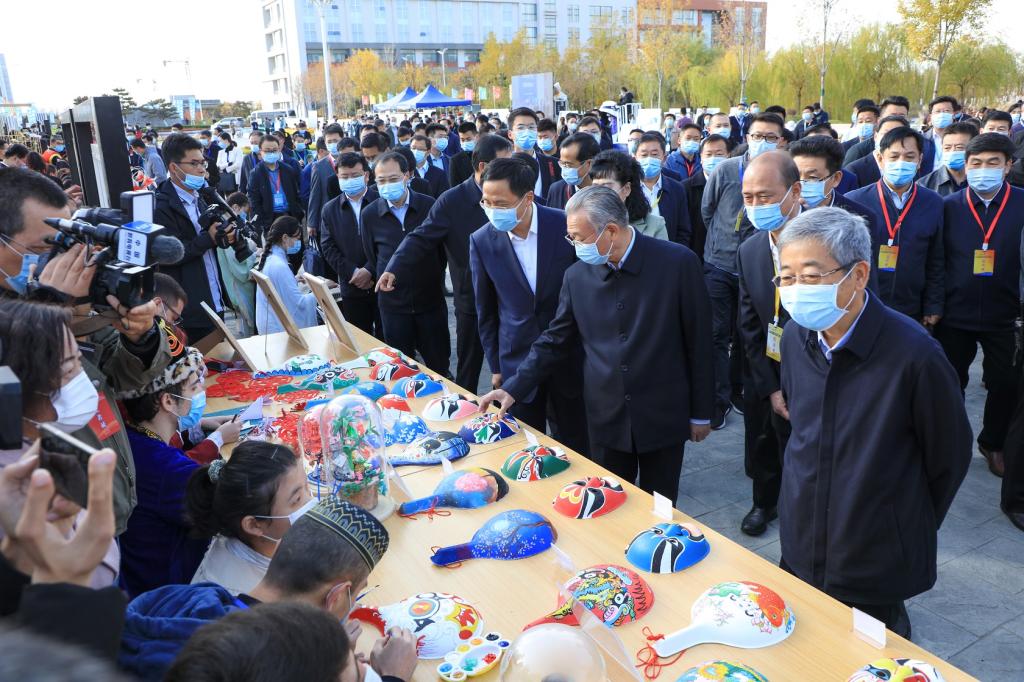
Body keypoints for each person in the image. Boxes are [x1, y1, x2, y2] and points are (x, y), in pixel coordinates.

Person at [775, 207, 971, 639]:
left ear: (859, 274)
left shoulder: (915, 356)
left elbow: (948, 458)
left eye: (811, 276)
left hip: (874, 553)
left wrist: (900, 520)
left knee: (870, 652)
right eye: (786, 278)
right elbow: (800, 428)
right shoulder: (795, 337)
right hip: (801, 535)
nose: (796, 290)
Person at [478, 185, 712, 501]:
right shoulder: (577, 276)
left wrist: (701, 413)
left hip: (663, 413)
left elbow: (700, 342)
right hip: (605, 417)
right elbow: (555, 339)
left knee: (661, 503)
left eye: (578, 237)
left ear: (611, 231)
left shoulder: (677, 263)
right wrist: (514, 387)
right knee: (607, 500)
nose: (574, 245)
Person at [120, 498, 411, 682]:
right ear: (336, 597)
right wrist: (391, 676)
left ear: (280, 548)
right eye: (356, 594)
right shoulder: (271, 665)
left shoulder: (189, 598)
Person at [470, 157, 589, 455]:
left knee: (575, 444)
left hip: (568, 355)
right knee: (525, 447)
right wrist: (496, 365)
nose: (492, 210)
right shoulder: (482, 240)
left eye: (501, 203)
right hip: (517, 361)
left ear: (527, 198)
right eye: (486, 202)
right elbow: (486, 310)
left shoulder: (563, 225)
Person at [377, 134, 513, 392]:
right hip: (472, 300)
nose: (512, 170)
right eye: (505, 164)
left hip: (512, 301)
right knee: (469, 370)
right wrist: (394, 267)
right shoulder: (452, 201)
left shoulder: (513, 194)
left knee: (513, 371)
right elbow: (421, 237)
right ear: (483, 167)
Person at [935, 133, 1024, 479]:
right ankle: (948, 440)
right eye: (976, 163)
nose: (983, 170)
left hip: (1006, 314)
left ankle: (992, 442)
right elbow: (937, 260)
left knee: (1005, 383)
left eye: (992, 163)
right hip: (955, 312)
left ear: (1008, 165)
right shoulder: (948, 207)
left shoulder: (1020, 203)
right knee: (948, 381)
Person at [119, 345, 228, 597]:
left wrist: (199, 429)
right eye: (194, 387)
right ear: (168, 401)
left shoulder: (133, 437)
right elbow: (230, 508)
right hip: (171, 591)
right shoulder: (167, 469)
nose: (201, 392)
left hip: (140, 580)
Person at [702, 112, 787, 429]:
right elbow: (707, 211)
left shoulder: (783, 173)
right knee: (717, 334)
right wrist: (722, 241)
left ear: (781, 141)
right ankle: (718, 399)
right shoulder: (726, 170)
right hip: (719, 264)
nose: (762, 142)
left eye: (770, 137)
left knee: (747, 332)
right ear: (746, 138)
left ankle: (741, 389)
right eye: (756, 136)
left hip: (759, 268)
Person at [736, 152, 803, 537]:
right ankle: (764, 502)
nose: (757, 205)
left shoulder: (825, 241)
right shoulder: (750, 250)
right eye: (749, 197)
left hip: (813, 370)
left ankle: (803, 511)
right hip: (766, 368)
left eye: (765, 196)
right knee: (762, 439)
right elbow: (748, 324)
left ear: (795, 191)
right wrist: (771, 387)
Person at [843, 127, 945, 325]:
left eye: (909, 157)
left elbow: (936, 258)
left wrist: (933, 304)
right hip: (863, 305)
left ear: (920, 161)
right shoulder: (855, 201)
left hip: (912, 307)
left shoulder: (933, 202)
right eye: (894, 156)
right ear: (880, 159)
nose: (901, 163)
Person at [187, 441, 314, 595]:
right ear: (254, 525)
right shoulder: (243, 597)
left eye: (307, 487)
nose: (311, 501)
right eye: (297, 499)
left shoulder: (269, 542)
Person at [361, 152, 449, 373]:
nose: (387, 185)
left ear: (407, 175)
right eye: (381, 181)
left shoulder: (429, 205)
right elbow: (372, 255)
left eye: (393, 179)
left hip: (429, 301)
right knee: (400, 368)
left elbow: (440, 252)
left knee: (439, 365)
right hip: (393, 305)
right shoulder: (370, 214)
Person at [154, 132, 230, 342]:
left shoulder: (202, 196)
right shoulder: (161, 207)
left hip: (215, 300)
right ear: (174, 167)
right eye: (194, 163)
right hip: (189, 311)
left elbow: (209, 242)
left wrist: (224, 237)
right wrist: (208, 239)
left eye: (202, 163)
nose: (201, 169)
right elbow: (169, 256)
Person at [320, 153, 380, 336]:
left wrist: (369, 270)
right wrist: (353, 272)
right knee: (359, 339)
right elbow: (328, 247)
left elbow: (389, 242)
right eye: (344, 176)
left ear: (366, 175)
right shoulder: (330, 209)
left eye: (355, 175)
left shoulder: (381, 202)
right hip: (351, 285)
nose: (350, 180)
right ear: (338, 177)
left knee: (387, 340)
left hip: (381, 282)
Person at [254, 217, 318, 334]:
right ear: (285, 238)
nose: (298, 242)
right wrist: (321, 290)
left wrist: (294, 279)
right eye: (297, 238)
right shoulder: (279, 265)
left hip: (267, 324)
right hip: (277, 329)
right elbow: (299, 305)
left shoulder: (270, 257)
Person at [633, 132, 692, 246]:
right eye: (644, 155)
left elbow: (683, 230)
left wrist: (676, 253)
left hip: (668, 250)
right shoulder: (627, 188)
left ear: (664, 158)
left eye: (655, 154)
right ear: (635, 158)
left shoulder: (676, 188)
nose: (649, 159)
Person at [683, 134, 731, 264]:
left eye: (719, 154)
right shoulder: (686, 188)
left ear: (728, 156)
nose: (713, 158)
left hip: (728, 258)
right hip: (696, 256)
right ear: (701, 158)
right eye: (708, 154)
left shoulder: (738, 186)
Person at [218, 193, 259, 337]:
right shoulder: (227, 229)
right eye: (244, 211)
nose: (244, 216)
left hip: (235, 283)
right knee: (248, 330)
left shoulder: (227, 224)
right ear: (235, 207)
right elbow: (239, 267)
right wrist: (255, 254)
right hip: (238, 285)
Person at [247, 134, 302, 239]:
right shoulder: (256, 173)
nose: (271, 153)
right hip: (270, 219)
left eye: (274, 150)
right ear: (260, 151)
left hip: (289, 216)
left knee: (294, 247)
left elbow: (296, 193)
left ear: (279, 149)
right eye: (267, 150)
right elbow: (254, 201)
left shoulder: (288, 170)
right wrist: (263, 222)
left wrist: (298, 213)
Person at [505, 107, 562, 200]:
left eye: (531, 127)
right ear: (510, 134)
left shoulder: (554, 164)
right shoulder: (502, 166)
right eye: (521, 128)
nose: (527, 132)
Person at [842, 115, 912, 189]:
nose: (891, 139)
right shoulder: (854, 171)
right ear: (875, 136)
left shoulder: (911, 167)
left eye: (898, 135)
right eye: (886, 134)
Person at [305, 123, 346, 247]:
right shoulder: (318, 166)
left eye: (336, 140)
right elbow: (315, 195)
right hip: (329, 217)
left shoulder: (353, 162)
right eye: (329, 141)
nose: (333, 144)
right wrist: (311, 222)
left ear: (342, 139)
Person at [843, 96, 912, 165]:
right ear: (879, 120)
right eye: (892, 116)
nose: (898, 121)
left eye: (902, 117)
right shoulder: (859, 151)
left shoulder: (915, 145)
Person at [918, 121, 978, 197]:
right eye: (947, 148)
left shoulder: (984, 181)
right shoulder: (924, 185)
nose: (952, 152)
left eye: (959, 147)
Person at [546, 132, 600, 210]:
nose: (564, 169)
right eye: (562, 163)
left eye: (568, 164)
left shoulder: (605, 190)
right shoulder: (557, 190)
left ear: (589, 164)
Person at [923, 96, 960, 172]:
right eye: (937, 111)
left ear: (953, 114)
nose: (942, 114)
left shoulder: (962, 139)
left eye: (946, 111)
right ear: (931, 116)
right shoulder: (921, 139)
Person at [409, 134, 450, 199]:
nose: (416, 151)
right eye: (413, 148)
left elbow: (443, 198)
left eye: (420, 149)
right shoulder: (405, 172)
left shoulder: (440, 174)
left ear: (428, 152)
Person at [449, 120, 478, 187]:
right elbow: (454, 187)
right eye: (462, 140)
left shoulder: (486, 154)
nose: (465, 142)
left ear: (476, 137)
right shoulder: (455, 160)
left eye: (468, 139)